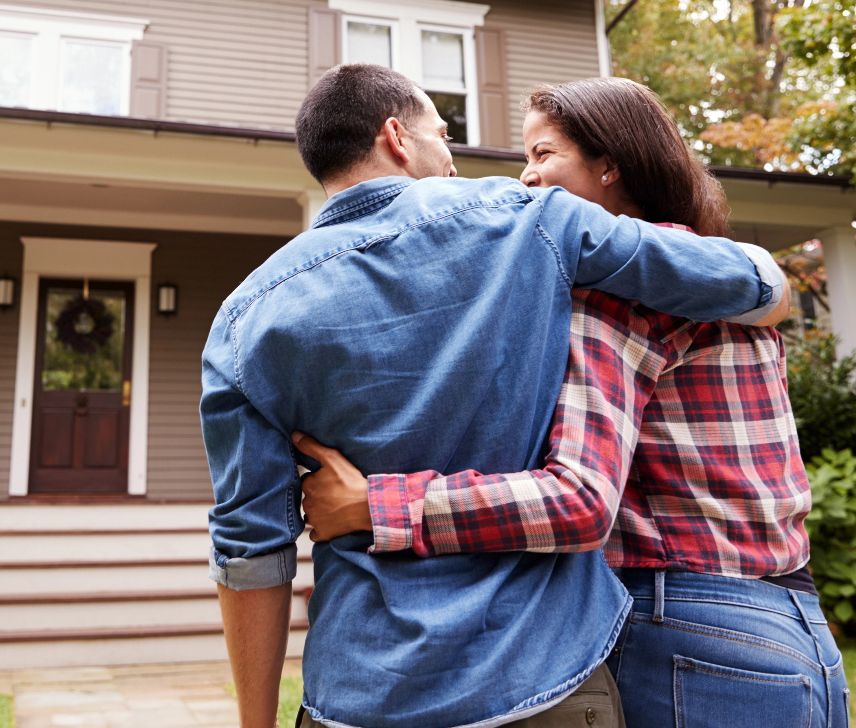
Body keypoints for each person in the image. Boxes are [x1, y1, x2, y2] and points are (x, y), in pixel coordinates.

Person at [201, 64, 790, 728]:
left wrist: (256, 721)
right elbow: (746, 281)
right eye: (443, 135)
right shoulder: (530, 220)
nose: (453, 161)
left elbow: (250, 549)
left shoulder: (243, 319)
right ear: (398, 137)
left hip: (361, 689)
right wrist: (772, 285)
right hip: (540, 678)